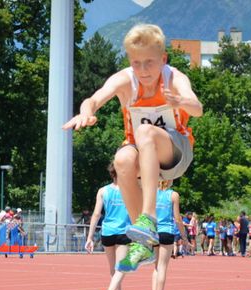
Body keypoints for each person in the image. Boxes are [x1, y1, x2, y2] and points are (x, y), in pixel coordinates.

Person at [64, 23, 202, 272]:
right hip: (142, 154)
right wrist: (85, 112)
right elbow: (94, 98)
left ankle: (148, 219)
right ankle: (144, 241)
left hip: (176, 151)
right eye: (136, 63)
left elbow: (197, 108)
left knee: (145, 132)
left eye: (149, 62)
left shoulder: (174, 78)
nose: (143, 70)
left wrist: (180, 100)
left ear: (163, 58)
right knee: (122, 160)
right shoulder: (124, 80)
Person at [86, 164, 132, 290]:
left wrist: (90, 237)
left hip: (107, 232)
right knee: (122, 269)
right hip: (123, 232)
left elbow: (96, 214)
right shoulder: (130, 190)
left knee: (113, 270)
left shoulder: (103, 191)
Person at [148, 180, 187, 290]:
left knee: (156, 266)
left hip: (154, 231)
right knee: (163, 266)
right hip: (166, 231)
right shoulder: (173, 195)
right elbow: (177, 219)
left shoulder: (151, 193)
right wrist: (184, 237)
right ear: (169, 179)